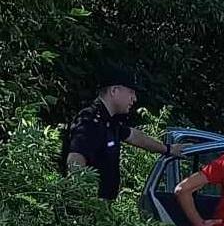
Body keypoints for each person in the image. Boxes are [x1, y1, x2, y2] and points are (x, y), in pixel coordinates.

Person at [65, 66, 185, 199]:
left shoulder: (111, 122)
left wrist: (167, 149)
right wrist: (80, 198)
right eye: (131, 92)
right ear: (114, 90)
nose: (134, 99)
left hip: (102, 208)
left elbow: (135, 137)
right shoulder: (90, 120)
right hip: (89, 210)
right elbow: (75, 159)